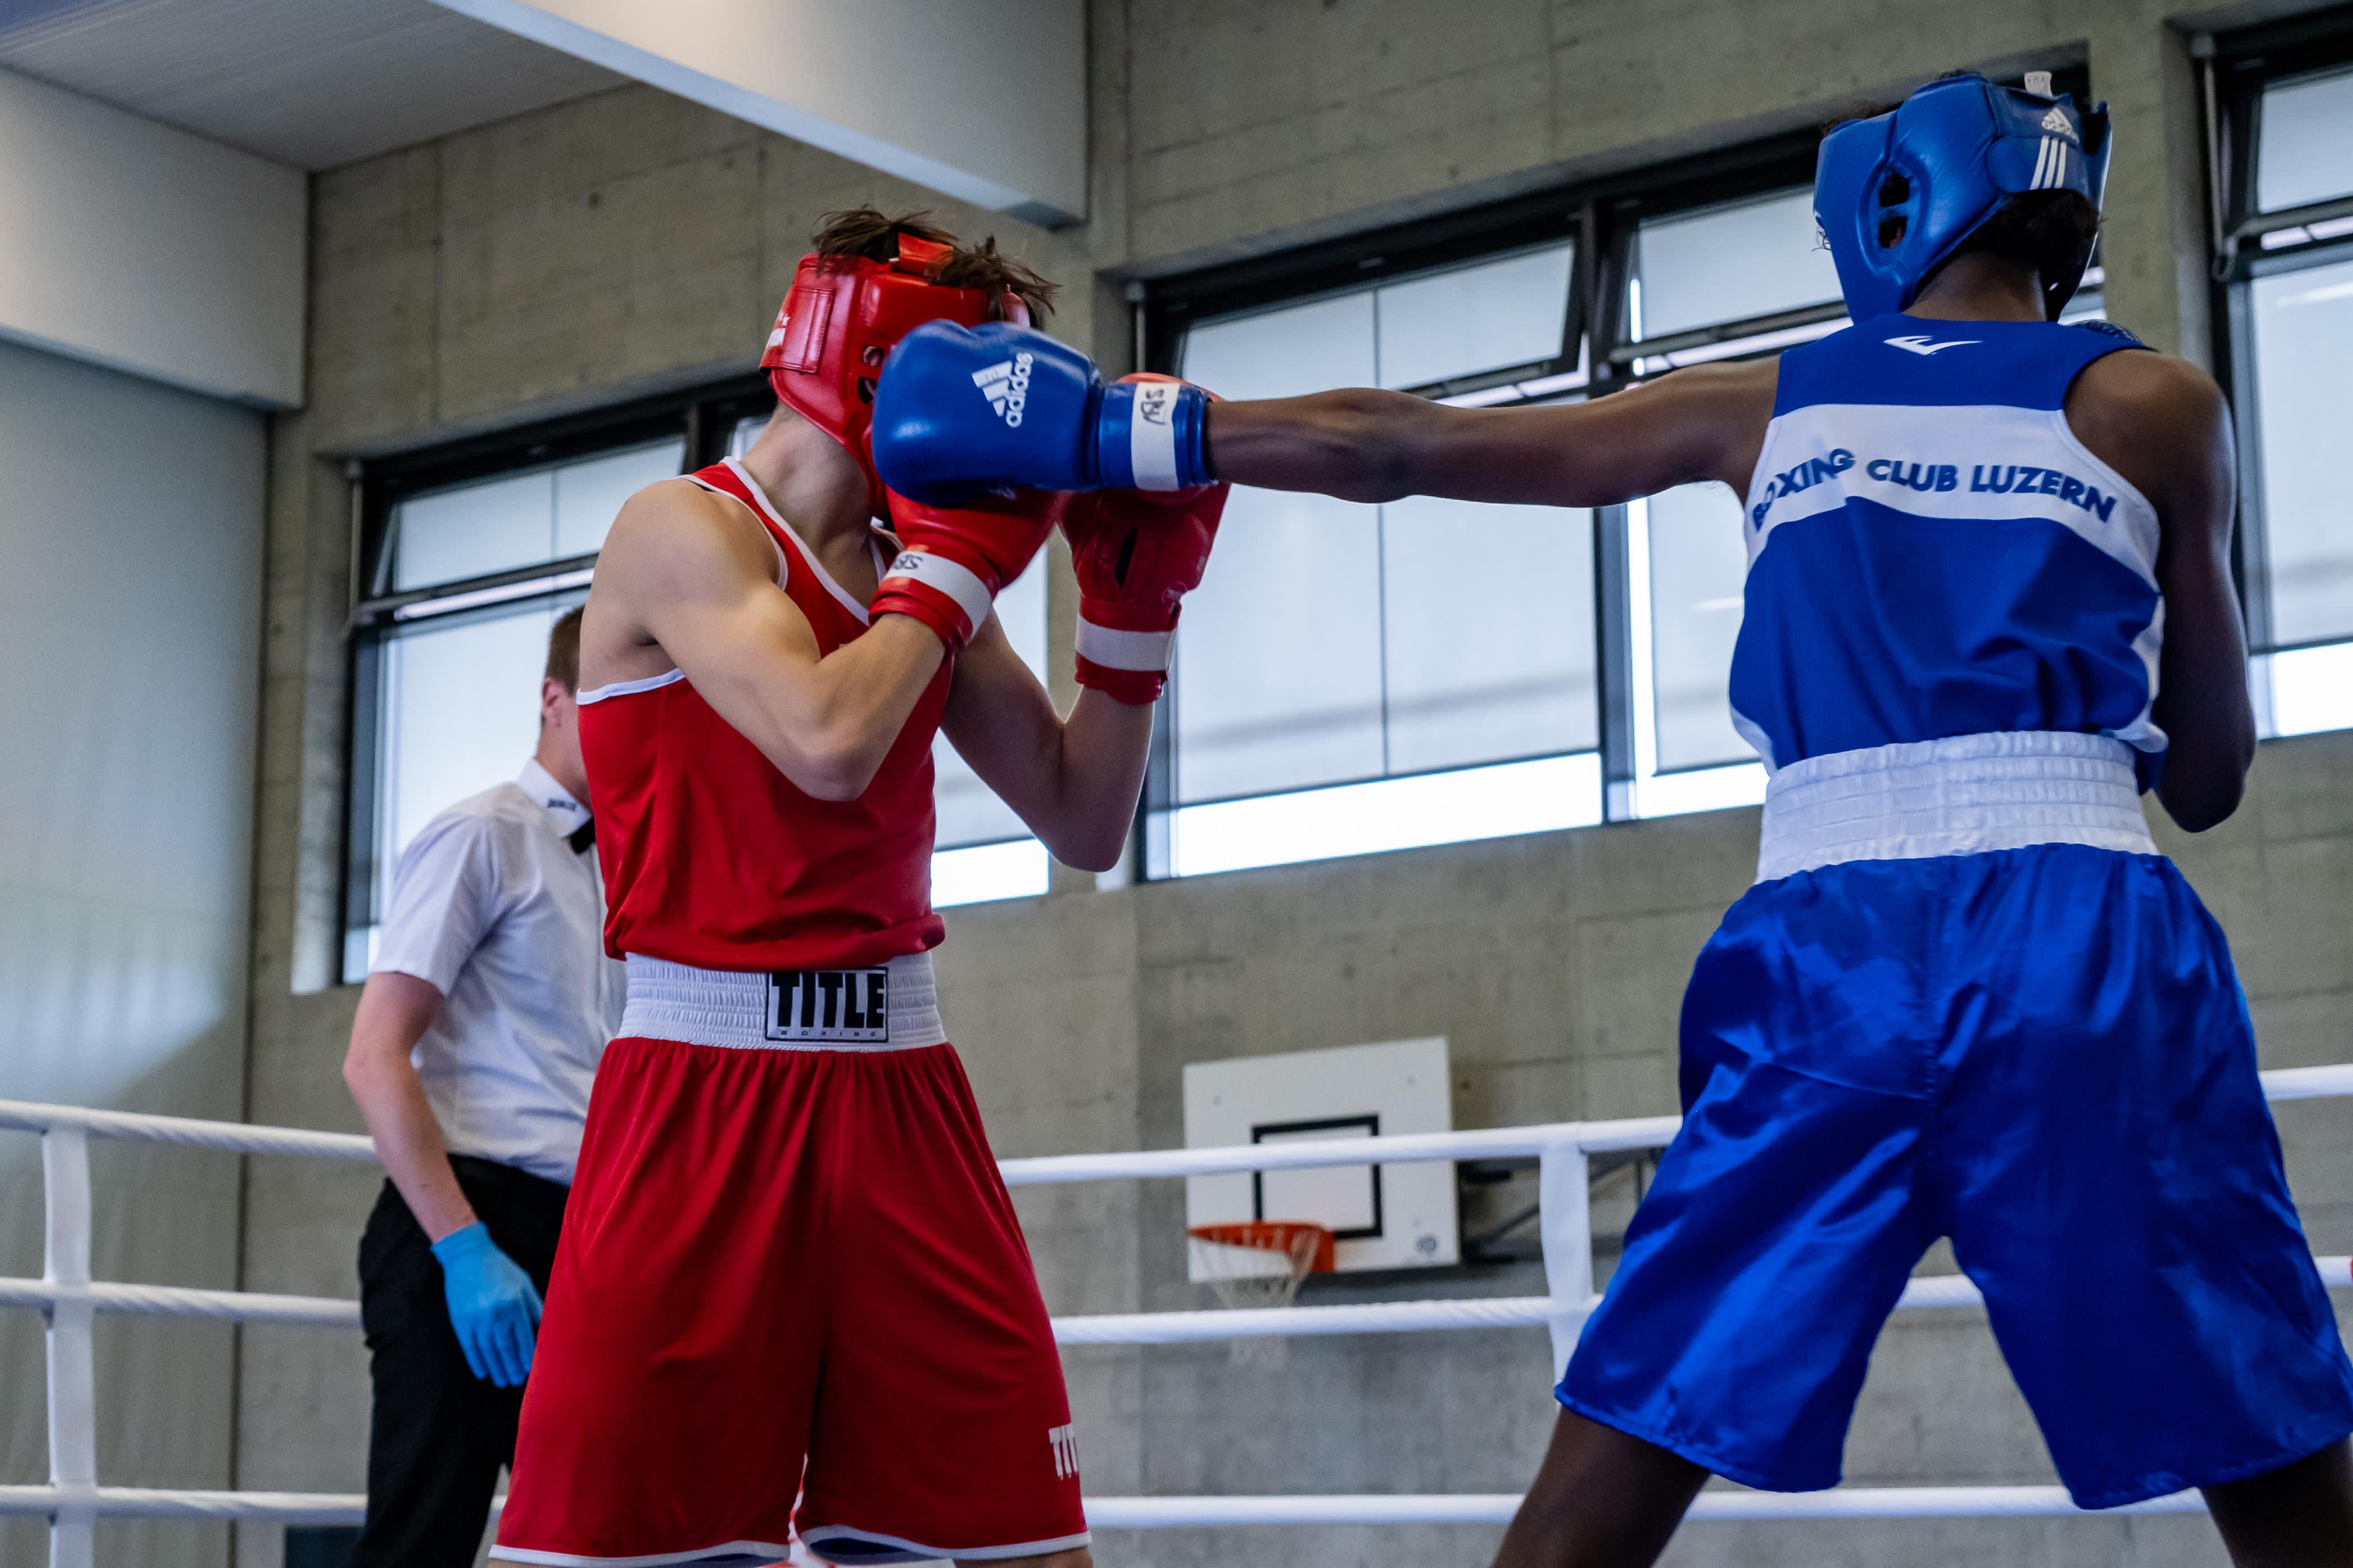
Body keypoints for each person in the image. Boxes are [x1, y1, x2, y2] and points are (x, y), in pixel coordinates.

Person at [867, 72, 2353, 1568]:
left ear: (1893, 206)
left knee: (1619, 1462)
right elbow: (2211, 777)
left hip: (1832, 959)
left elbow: (1403, 444)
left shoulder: (1767, 401)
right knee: (2272, 1443)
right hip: (2082, 945)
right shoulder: (2157, 404)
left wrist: (1105, 430)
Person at [488, 209, 1225, 1568]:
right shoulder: (681, 528)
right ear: (883, 370)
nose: (1008, 432)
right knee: (639, 1548)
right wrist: (951, 571)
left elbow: (1083, 819)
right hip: (699, 1097)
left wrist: (1130, 625)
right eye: (989, 385)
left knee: (1019, 1547)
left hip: (902, 1094)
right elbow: (827, 741)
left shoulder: (910, 566)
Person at [342, 605, 626, 1568]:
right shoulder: (481, 834)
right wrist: (464, 1247)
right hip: (467, 1219)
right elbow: (374, 1055)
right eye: (612, 697)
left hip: (582, 1233)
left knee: (598, 1539)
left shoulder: (630, 872)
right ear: (554, 698)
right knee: (422, 1542)